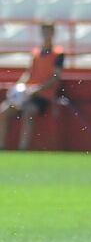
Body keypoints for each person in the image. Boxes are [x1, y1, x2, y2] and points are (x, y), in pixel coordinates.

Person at [0, 23, 62, 151]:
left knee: (29, 111)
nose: (46, 35)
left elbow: (55, 77)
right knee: (3, 111)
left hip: (43, 96)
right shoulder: (36, 52)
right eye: (44, 31)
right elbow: (29, 73)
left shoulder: (58, 54)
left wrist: (37, 89)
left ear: (53, 33)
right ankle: (2, 146)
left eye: (48, 32)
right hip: (27, 93)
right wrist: (19, 85)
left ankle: (23, 147)